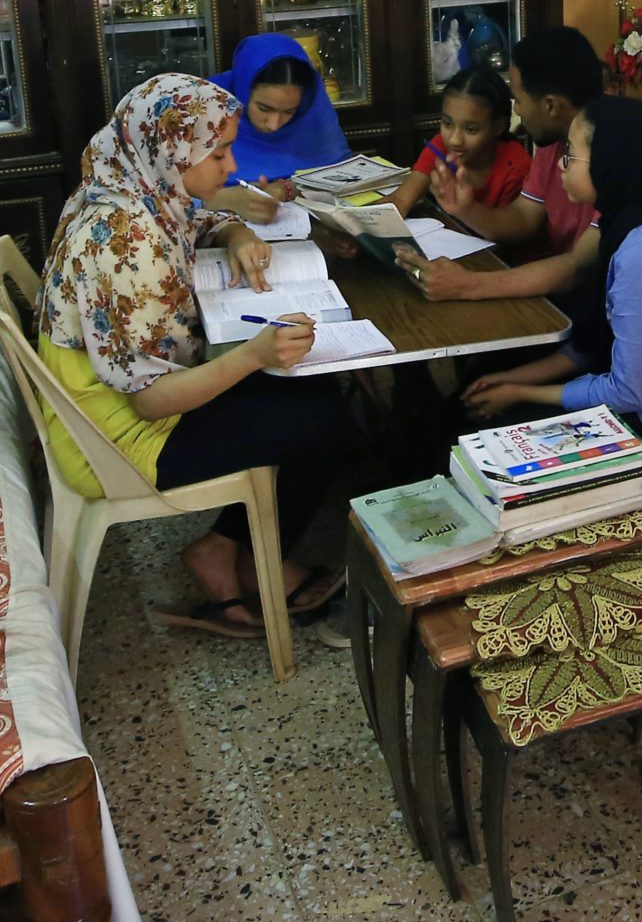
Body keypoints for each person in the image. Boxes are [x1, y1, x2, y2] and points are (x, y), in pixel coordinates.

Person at [35, 74, 364, 640]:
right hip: (118, 438)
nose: (228, 165)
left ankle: (226, 548)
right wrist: (256, 354)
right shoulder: (125, 240)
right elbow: (152, 402)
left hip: (111, 402)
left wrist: (235, 231)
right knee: (327, 423)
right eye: (217, 152)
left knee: (311, 392)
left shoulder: (129, 186)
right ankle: (247, 560)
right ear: (171, 150)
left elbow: (194, 217)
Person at [460, 96, 642, 445]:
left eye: (571, 155)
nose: (562, 166)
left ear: (611, 163)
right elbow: (596, 345)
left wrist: (522, 393)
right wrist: (515, 379)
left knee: (483, 434)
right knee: (484, 391)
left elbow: (628, 393)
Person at [404, 26, 604, 303]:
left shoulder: (618, 150)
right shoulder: (556, 140)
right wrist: (466, 209)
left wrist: (467, 285)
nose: (518, 111)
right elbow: (524, 218)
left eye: (519, 100)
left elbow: (578, 267)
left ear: (551, 106)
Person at [202, 33, 348, 225]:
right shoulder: (206, 108)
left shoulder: (313, 114)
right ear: (242, 90)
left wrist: (285, 189)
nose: (274, 124)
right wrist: (225, 198)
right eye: (264, 108)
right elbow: (164, 195)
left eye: (289, 111)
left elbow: (343, 178)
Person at [377, 66, 531, 217]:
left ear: (498, 127)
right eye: (447, 124)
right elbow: (400, 200)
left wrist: (467, 209)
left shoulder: (516, 166)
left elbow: (508, 231)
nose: (455, 140)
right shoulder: (440, 147)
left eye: (471, 129)